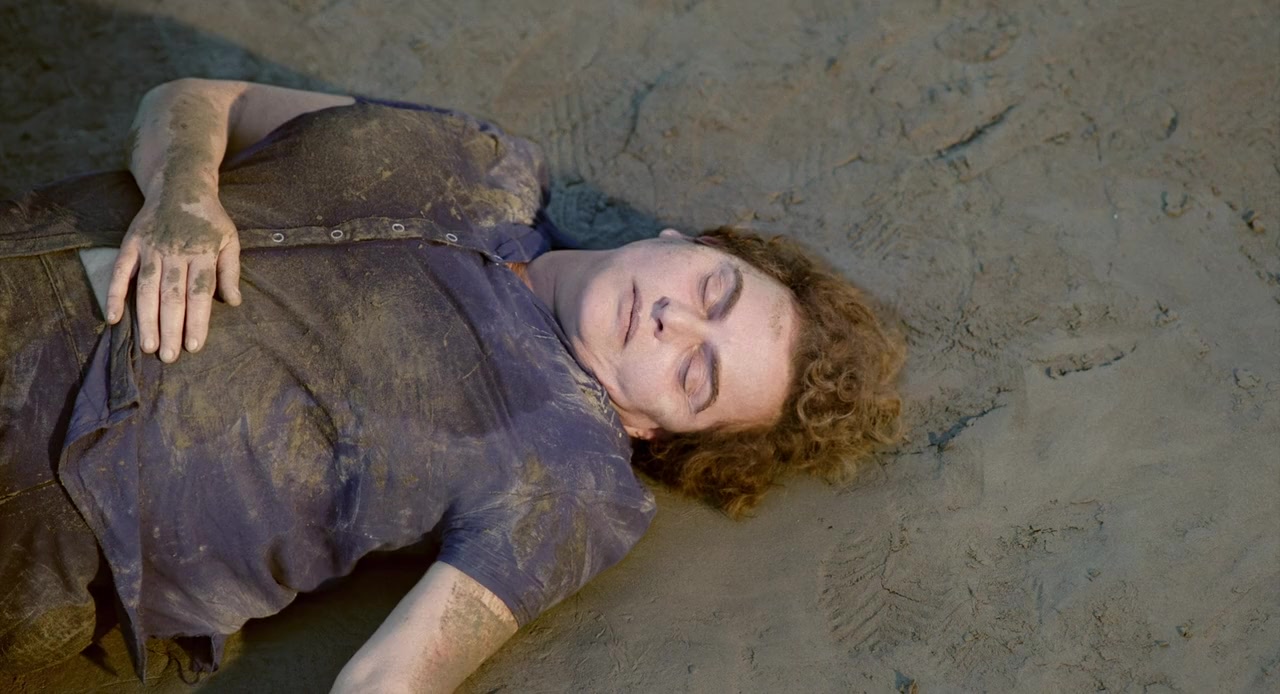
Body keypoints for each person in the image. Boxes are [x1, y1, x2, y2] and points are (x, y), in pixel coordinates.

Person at [0, 78, 904, 692]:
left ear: (656, 432)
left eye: (696, 374)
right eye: (713, 291)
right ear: (686, 243)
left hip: (37, 493)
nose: (675, 321)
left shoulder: (571, 479)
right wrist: (184, 197)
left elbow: (390, 681)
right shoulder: (487, 158)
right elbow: (198, 98)